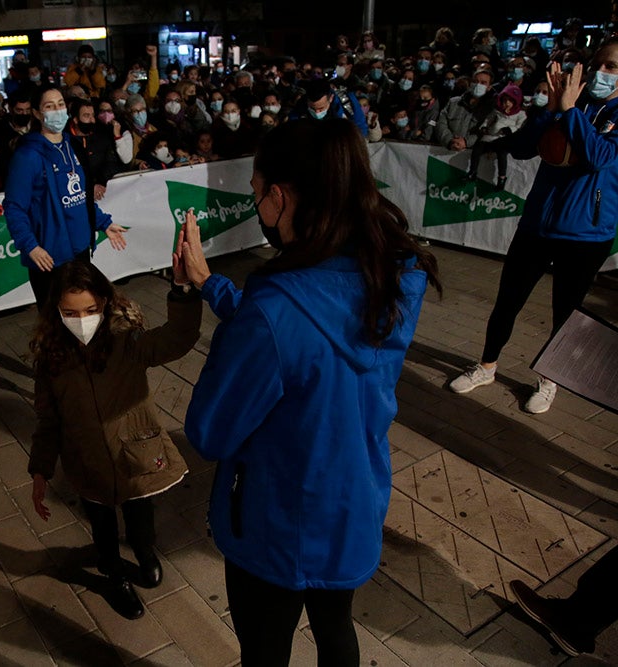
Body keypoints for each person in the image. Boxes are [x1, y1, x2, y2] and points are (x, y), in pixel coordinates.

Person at [179, 119, 441, 665]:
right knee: (336, 629)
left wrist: (217, 317)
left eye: (257, 196)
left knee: (265, 651)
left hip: (275, 524)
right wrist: (213, 286)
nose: (258, 209)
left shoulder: (274, 311)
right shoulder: (391, 274)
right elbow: (306, 335)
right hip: (352, 502)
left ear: (279, 197)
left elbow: (209, 429)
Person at [28, 258, 201, 619]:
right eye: (69, 312)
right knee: (102, 526)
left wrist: (182, 290)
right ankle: (112, 573)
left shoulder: (127, 342)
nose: (81, 320)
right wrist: (41, 470)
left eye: (89, 310)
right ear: (55, 311)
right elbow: (48, 420)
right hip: (86, 462)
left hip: (133, 456)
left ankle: (144, 550)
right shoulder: (50, 358)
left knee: (140, 515)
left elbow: (177, 338)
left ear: (104, 303)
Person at [449, 47, 618, 414]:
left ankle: (549, 380)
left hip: (586, 234)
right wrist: (552, 111)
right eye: (598, 64)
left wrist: (571, 112)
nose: (601, 72)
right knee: (507, 300)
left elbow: (601, 157)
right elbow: (524, 148)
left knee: (565, 312)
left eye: (612, 66)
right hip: (538, 225)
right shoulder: (571, 100)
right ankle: (487, 366)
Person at [3, 86, 127, 309]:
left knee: (83, 315)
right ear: (38, 113)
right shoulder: (27, 156)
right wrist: (31, 246)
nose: (57, 110)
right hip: (49, 257)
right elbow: (14, 207)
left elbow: (81, 195)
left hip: (80, 252)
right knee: (54, 325)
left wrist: (102, 223)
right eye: (49, 106)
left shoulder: (73, 146)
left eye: (60, 104)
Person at [466, 83, 526, 190]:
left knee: (502, 154)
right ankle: (473, 171)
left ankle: (501, 178)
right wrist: (484, 127)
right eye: (504, 100)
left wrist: (510, 130)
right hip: (490, 137)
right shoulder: (496, 112)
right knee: (478, 148)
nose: (506, 103)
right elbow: (487, 120)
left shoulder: (520, 114)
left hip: (504, 140)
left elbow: (519, 126)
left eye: (510, 101)